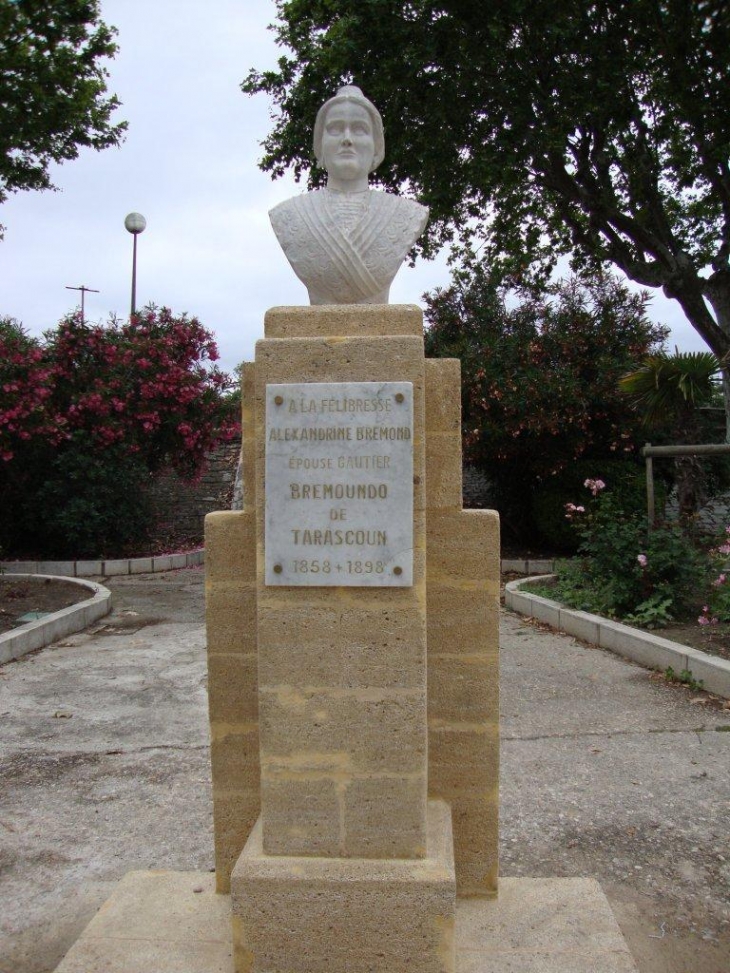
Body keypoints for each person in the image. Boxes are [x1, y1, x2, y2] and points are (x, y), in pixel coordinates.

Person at [269, 85, 429, 305]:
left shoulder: (406, 214)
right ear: (320, 143)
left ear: (376, 146)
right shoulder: (289, 215)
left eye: (359, 129)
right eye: (335, 128)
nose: (347, 139)